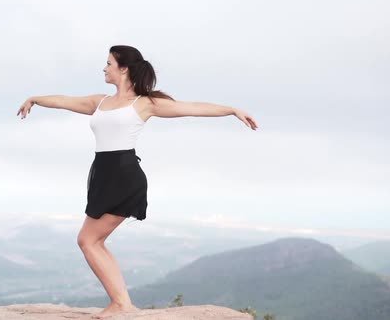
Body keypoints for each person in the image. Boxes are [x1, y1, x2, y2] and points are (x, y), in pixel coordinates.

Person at [16, 45, 258, 319]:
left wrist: (231, 110)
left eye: (108, 63)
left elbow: (190, 108)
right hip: (103, 174)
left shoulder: (143, 103)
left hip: (124, 175)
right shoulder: (100, 102)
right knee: (94, 240)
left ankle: (121, 303)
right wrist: (35, 98)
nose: (104, 68)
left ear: (124, 68)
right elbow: (64, 100)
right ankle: (122, 302)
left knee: (87, 239)